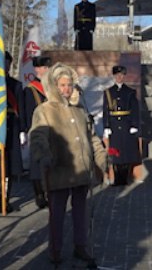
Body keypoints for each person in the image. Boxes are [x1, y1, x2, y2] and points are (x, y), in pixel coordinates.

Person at [30, 63, 107, 267]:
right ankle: (54, 250)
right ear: (55, 86)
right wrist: (44, 155)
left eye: (69, 85)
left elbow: (92, 138)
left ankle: (80, 246)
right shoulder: (44, 110)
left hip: (81, 171)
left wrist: (101, 159)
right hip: (59, 170)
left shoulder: (80, 110)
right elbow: (38, 136)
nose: (66, 89)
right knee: (57, 213)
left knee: (81, 212)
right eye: (62, 85)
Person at [0, 52, 24, 213]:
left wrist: (22, 130)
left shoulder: (16, 85)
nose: (5, 66)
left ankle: (5, 199)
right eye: (2, 63)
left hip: (12, 129)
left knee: (10, 167)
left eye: (7, 63)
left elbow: (20, 109)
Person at [102, 65, 141, 186]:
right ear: (114, 76)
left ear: (124, 76)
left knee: (125, 153)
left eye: (121, 75)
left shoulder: (130, 92)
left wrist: (134, 124)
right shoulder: (108, 92)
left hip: (126, 125)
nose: (119, 77)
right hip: (114, 125)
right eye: (117, 75)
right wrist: (106, 126)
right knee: (115, 153)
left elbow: (134, 109)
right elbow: (106, 110)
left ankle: (124, 178)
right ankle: (117, 179)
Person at [22, 56, 52, 208]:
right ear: (37, 69)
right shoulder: (31, 89)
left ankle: (51, 191)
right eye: (43, 68)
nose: (46, 71)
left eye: (47, 68)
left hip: (53, 129)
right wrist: (26, 129)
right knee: (36, 163)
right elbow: (27, 111)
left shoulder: (53, 87)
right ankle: (39, 194)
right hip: (37, 128)